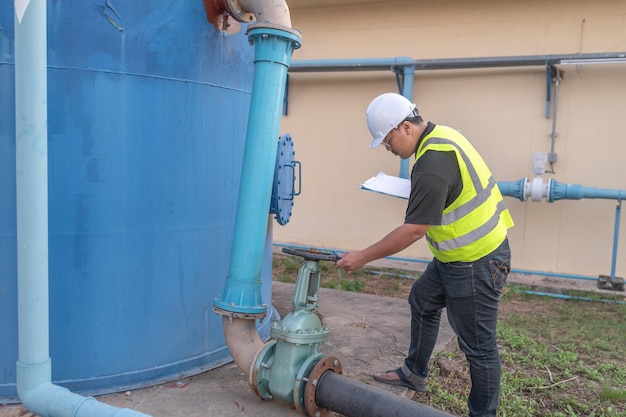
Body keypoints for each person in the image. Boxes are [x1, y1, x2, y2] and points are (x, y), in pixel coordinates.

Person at [336, 92, 514, 417]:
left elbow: (414, 230)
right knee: (423, 300)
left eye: (388, 139)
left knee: (479, 348)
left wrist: (362, 256)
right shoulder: (442, 136)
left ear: (405, 127)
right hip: (455, 257)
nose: (388, 148)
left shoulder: (432, 162)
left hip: (476, 261)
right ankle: (415, 373)